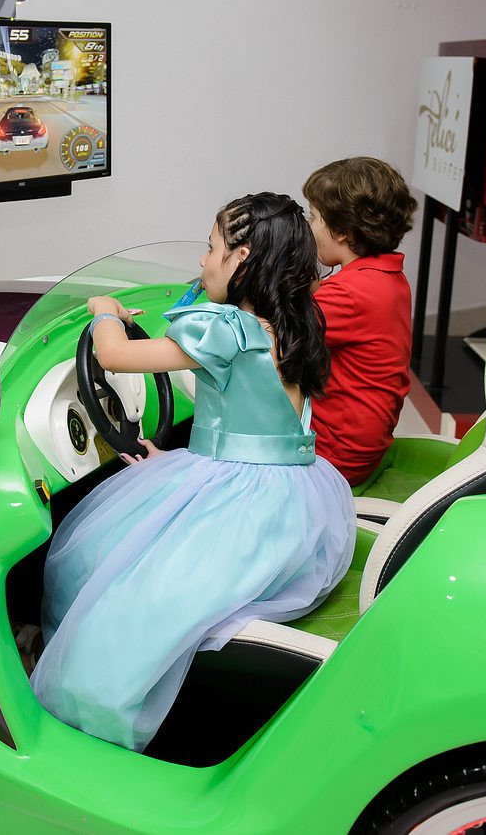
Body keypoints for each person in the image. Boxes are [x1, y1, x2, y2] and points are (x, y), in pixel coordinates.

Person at [29, 192, 355, 752]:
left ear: (241, 258)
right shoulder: (295, 320)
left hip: (240, 497)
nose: (202, 262)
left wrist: (105, 312)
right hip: (293, 494)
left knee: (97, 568)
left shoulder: (224, 329)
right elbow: (262, 421)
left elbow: (114, 357)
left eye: (210, 248)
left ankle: (82, 694)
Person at [301, 157, 419, 487]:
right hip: (363, 447)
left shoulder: (349, 293)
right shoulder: (387, 277)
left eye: (314, 217)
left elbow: (276, 333)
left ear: (343, 231)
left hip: (332, 455)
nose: (309, 227)